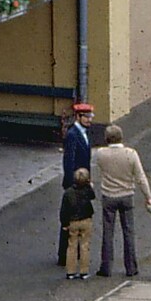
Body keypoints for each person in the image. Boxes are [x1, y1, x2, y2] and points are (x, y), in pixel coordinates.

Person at [92, 123, 151, 277]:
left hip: (109, 196)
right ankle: (131, 268)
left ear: (106, 138)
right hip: (126, 196)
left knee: (108, 232)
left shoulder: (101, 154)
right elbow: (140, 177)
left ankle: (106, 268)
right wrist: (148, 196)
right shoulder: (131, 154)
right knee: (128, 232)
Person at [57, 102, 93, 266]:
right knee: (70, 219)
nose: (89, 120)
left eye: (90, 116)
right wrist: (72, 182)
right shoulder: (73, 134)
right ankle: (64, 254)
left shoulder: (84, 133)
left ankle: (75, 252)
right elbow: (69, 160)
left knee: (80, 216)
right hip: (75, 182)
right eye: (86, 117)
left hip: (83, 179)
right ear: (78, 117)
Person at [59, 166, 96, 280]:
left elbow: (64, 210)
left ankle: (71, 271)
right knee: (85, 245)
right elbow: (93, 196)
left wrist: (64, 223)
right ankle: (83, 271)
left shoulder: (68, 193)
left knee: (72, 246)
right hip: (86, 220)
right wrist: (90, 185)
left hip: (73, 221)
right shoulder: (87, 190)